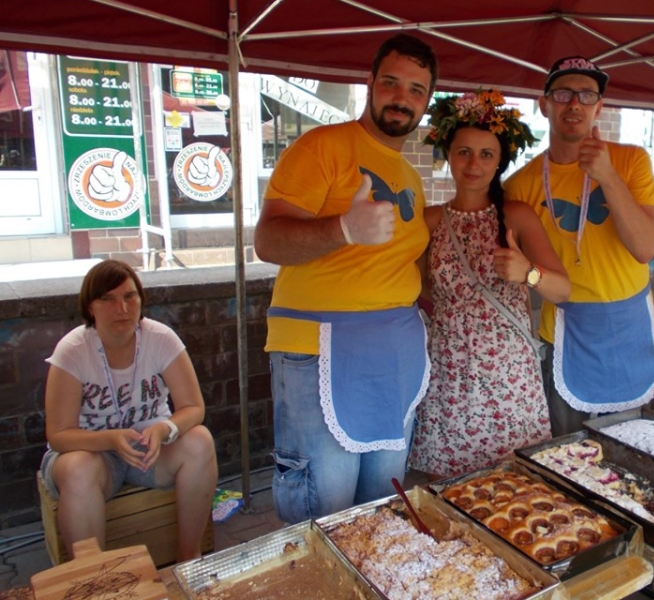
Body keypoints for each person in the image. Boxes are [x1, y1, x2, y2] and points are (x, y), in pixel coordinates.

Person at [253, 34, 438, 523]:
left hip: (393, 351)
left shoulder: (410, 176)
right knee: (324, 503)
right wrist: (342, 228)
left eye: (417, 90)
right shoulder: (322, 147)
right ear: (370, 84)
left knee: (383, 502)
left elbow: (404, 258)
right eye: (392, 83)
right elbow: (268, 240)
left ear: (427, 101)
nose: (402, 98)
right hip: (319, 346)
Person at [408, 90, 570, 478]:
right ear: (449, 154)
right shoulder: (429, 220)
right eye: (464, 152)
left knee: (516, 481)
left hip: (509, 376)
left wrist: (528, 272)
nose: (474, 164)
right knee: (449, 487)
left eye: (486, 154)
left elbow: (564, 290)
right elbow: (415, 288)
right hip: (450, 374)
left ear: (500, 161)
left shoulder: (516, 215)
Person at [504, 56, 654, 438]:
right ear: (544, 105)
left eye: (586, 95)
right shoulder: (520, 184)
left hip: (631, 326)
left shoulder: (631, 160)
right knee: (568, 455)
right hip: (565, 330)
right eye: (562, 93)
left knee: (642, 451)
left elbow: (644, 248)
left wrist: (608, 176)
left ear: (599, 107)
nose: (574, 104)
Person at [40, 259, 216, 561]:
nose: (120, 308)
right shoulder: (73, 350)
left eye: (129, 296)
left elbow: (193, 407)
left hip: (151, 448)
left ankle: (190, 559)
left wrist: (164, 429)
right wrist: (110, 439)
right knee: (78, 469)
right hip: (93, 453)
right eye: (107, 299)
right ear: (90, 307)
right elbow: (59, 435)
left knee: (200, 441)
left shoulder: (160, 338)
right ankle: (93, 577)